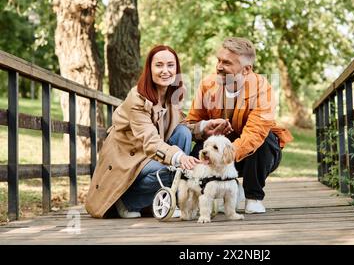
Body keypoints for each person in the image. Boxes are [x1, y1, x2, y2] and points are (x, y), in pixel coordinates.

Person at [85, 45, 201, 219]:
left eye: (170, 65)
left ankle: (172, 197)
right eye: (159, 65)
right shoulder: (137, 99)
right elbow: (151, 141)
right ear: (149, 69)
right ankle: (127, 201)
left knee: (183, 132)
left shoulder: (171, 95)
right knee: (173, 169)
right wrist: (180, 158)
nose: (165, 71)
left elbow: (179, 124)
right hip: (128, 159)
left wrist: (205, 127)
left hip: (147, 156)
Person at [185, 37, 293, 214]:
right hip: (221, 149)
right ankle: (221, 187)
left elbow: (254, 134)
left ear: (246, 69)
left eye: (226, 62)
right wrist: (205, 129)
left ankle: (253, 197)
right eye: (219, 60)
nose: (219, 66)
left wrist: (224, 154)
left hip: (254, 156)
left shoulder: (262, 88)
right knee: (199, 148)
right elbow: (191, 123)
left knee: (264, 139)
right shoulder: (207, 84)